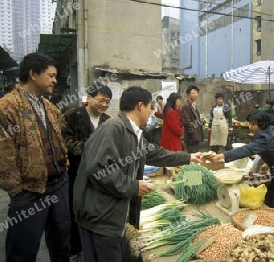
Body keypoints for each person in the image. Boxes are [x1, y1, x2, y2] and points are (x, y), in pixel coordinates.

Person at [73, 86, 204, 262]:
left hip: (111, 215)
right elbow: (99, 170)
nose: (152, 112)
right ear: (140, 106)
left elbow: (156, 153)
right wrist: (133, 186)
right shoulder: (112, 129)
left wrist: (190, 157)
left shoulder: (134, 132)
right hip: (100, 218)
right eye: (150, 107)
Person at [0, 52, 71, 261]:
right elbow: (3, 153)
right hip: (29, 191)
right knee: (23, 249)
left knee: (61, 242)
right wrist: (16, 190)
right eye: (50, 75)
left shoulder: (50, 108)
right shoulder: (7, 106)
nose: (54, 80)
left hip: (58, 183)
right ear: (33, 74)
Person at [206, 110, 274, 217]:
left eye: (253, 124)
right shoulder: (271, 131)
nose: (250, 127)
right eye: (249, 123)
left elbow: (247, 149)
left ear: (262, 125)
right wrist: (267, 164)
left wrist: (221, 156)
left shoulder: (264, 138)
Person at [61, 82, 113, 259]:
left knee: (95, 210)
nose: (104, 105)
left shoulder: (107, 121)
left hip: (99, 176)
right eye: (101, 100)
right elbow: (64, 142)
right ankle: (76, 250)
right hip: (76, 174)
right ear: (89, 98)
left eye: (107, 102)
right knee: (76, 212)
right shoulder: (72, 116)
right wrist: (91, 148)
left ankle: (92, 248)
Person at [181, 85, 204, 153]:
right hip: (191, 137)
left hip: (196, 135)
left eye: (196, 93)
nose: (195, 95)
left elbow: (195, 119)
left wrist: (201, 121)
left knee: (196, 154)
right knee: (193, 156)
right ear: (188, 95)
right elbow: (187, 122)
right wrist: (192, 133)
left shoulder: (194, 105)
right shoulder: (186, 106)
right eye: (193, 93)